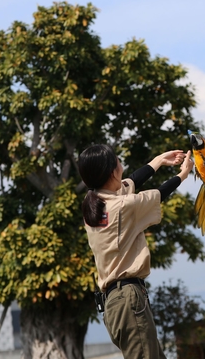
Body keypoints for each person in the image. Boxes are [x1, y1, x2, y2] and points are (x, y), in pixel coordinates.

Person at [78, 144, 193, 359]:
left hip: (115, 303)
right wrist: (183, 174)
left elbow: (132, 181)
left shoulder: (93, 205)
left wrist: (159, 159)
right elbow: (158, 194)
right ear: (113, 171)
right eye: (117, 160)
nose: (120, 164)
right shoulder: (122, 206)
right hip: (128, 299)